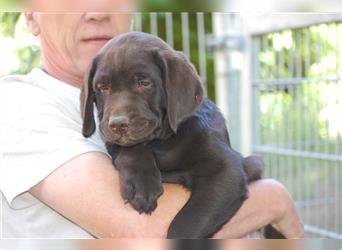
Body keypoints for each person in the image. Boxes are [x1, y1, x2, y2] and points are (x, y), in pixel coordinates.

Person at [0, 2, 304, 239]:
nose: (97, 11)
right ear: (30, 15)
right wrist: (272, 198)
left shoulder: (173, 104)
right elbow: (145, 232)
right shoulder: (17, 105)